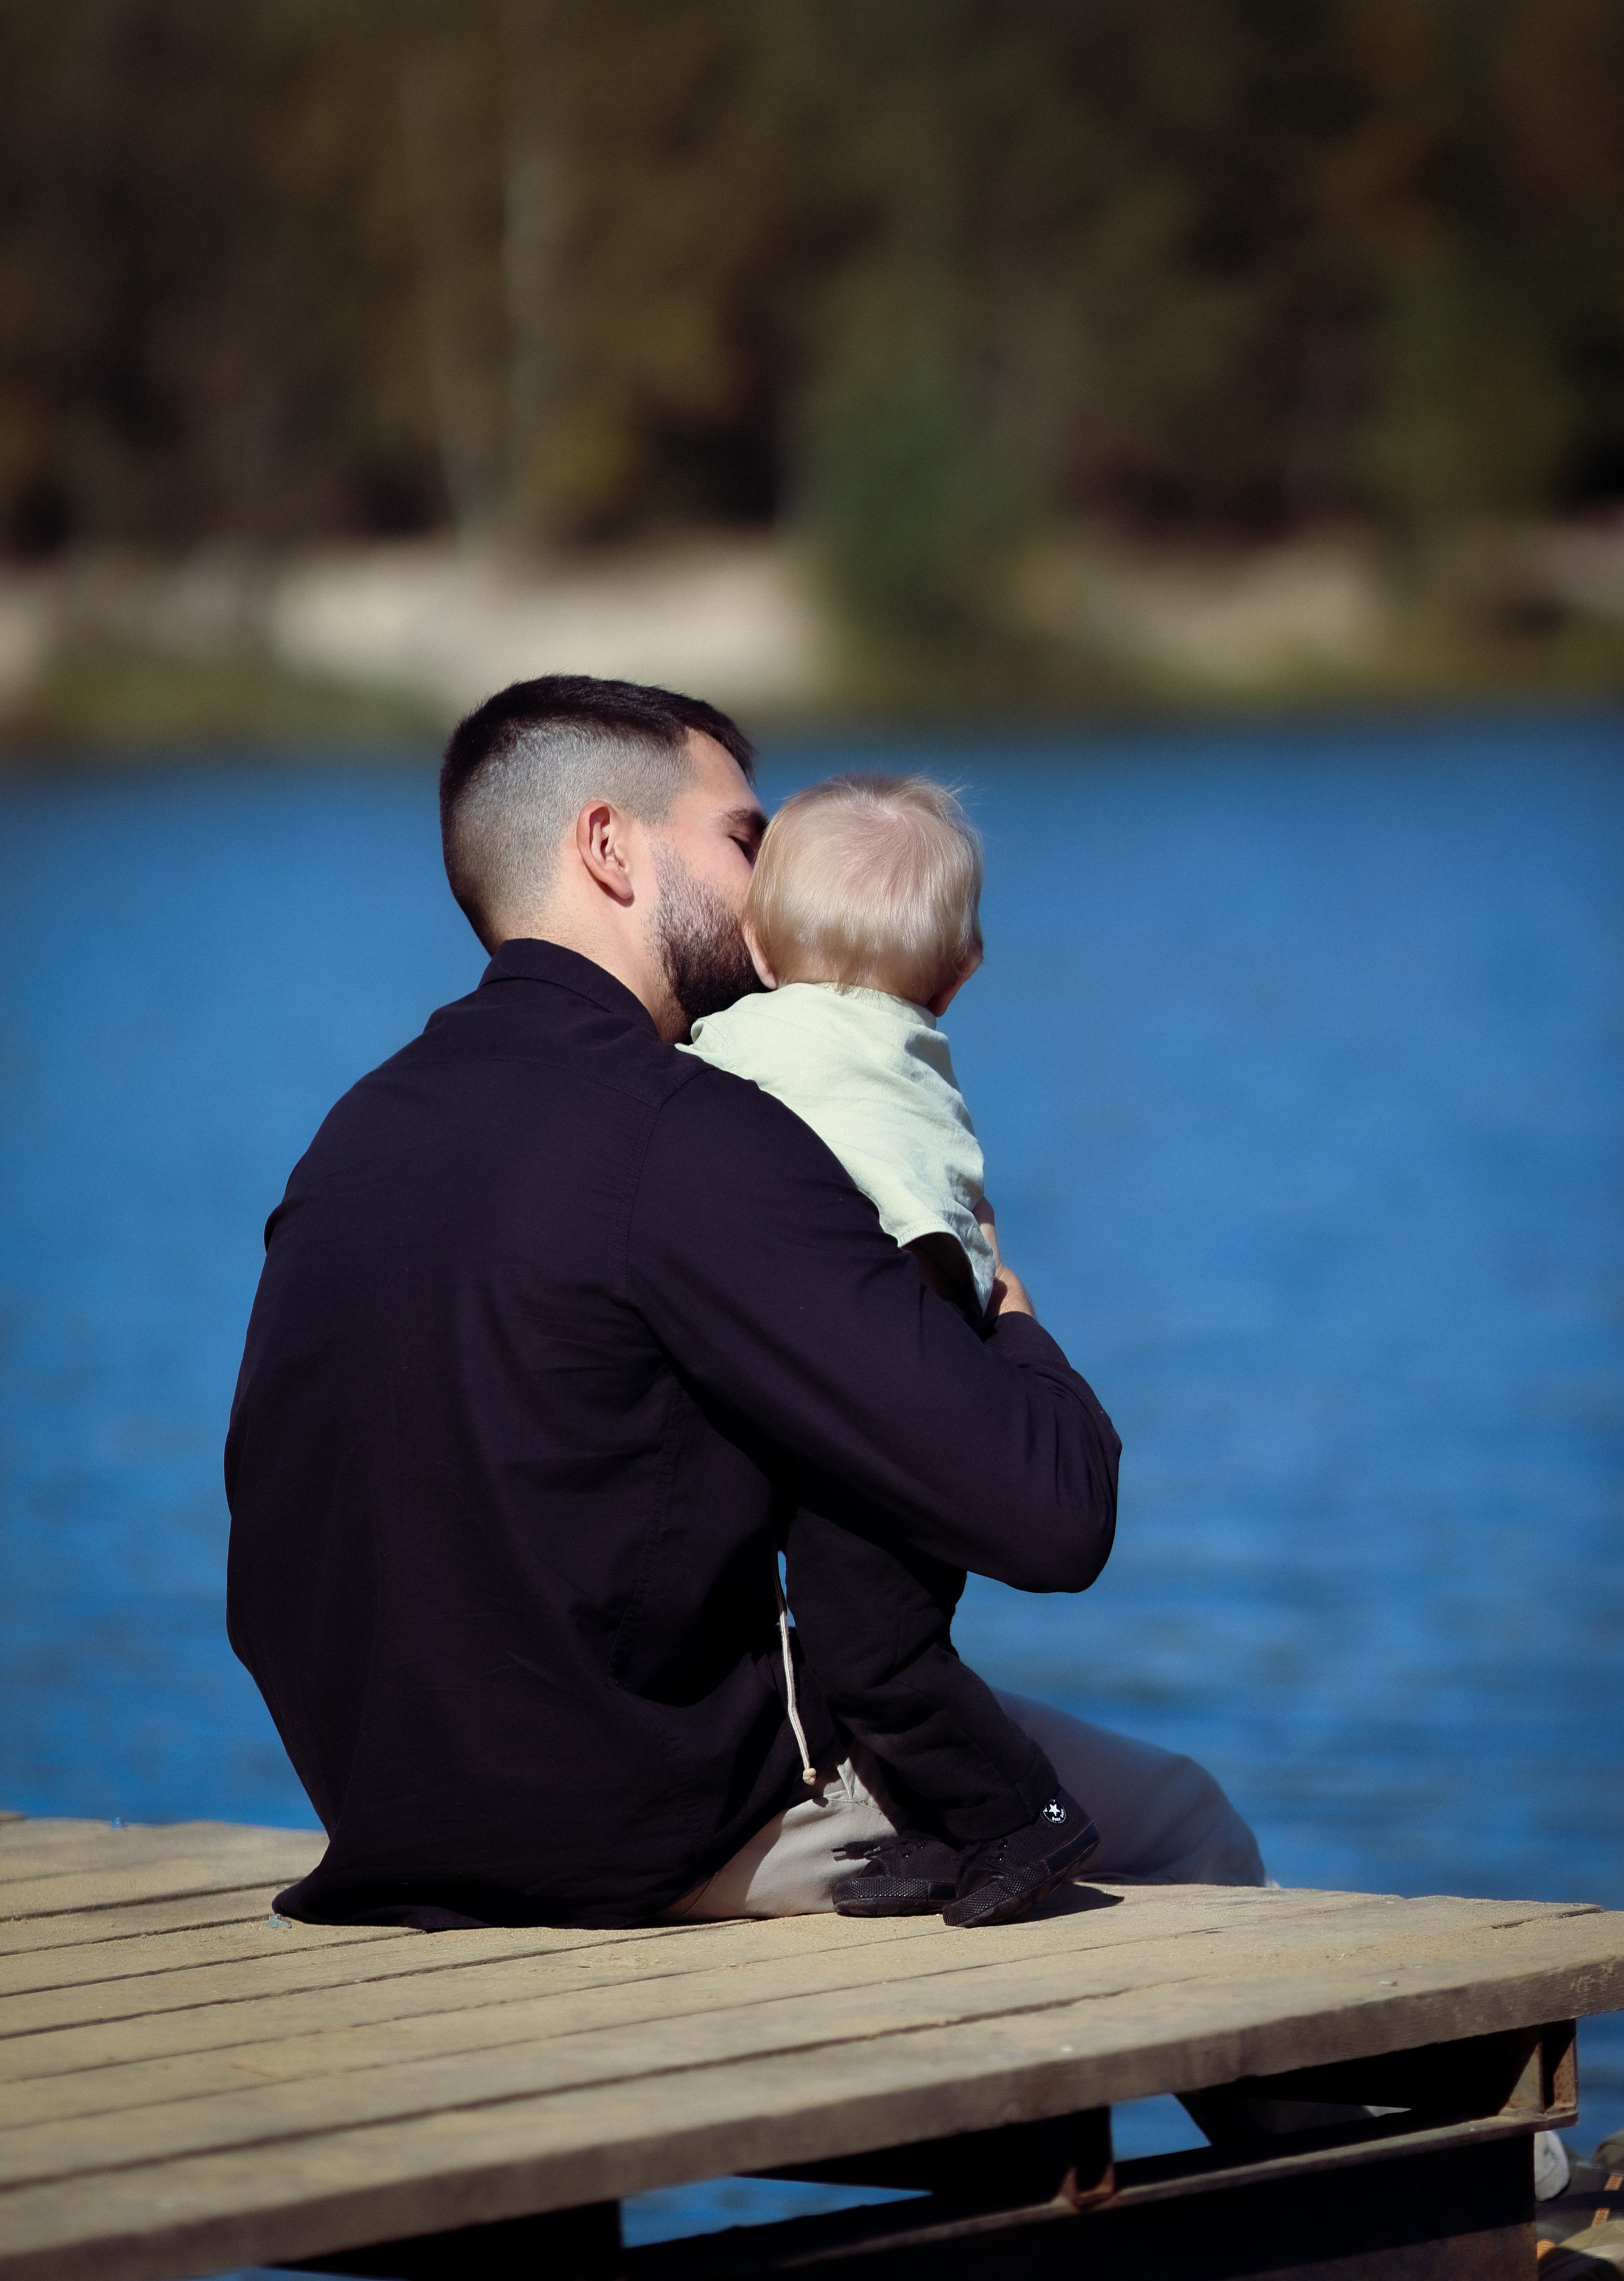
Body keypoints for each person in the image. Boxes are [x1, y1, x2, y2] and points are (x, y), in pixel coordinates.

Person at [226, 674, 1263, 1931]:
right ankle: (1424, 2143)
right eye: (744, 842)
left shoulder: (353, 1138)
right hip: (645, 1829)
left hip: (387, 1820)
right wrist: (1009, 1313)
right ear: (609, 847)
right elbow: (1055, 1516)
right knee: (1187, 1818)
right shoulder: (694, 1133)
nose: (771, 889)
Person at [682, 773, 1097, 1928]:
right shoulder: (918, 1063)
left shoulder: (743, 1040)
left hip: (865, 1405)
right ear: (959, 978)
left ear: (754, 944)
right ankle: (939, 1826)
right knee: (883, 1632)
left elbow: (668, 1128)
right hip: (937, 1374)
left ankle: (1026, 1815)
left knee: (872, 1648)